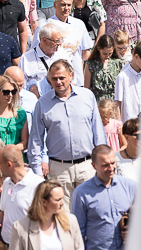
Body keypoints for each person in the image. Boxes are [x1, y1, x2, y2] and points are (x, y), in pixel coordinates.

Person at [29, 60, 106, 208]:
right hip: (59, 169)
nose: (58, 82)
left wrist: (102, 162)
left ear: (71, 76)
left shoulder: (87, 96)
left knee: (92, 210)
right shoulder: (42, 103)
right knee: (63, 217)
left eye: (62, 77)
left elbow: (98, 132)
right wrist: (37, 171)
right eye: (54, 78)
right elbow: (36, 139)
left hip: (87, 165)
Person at [71, 146, 137, 250]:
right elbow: (78, 232)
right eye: (105, 165)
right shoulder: (82, 193)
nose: (111, 168)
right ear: (94, 166)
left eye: (113, 163)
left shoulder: (130, 187)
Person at [7, 180, 87, 250]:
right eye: (58, 200)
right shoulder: (20, 227)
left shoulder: (71, 221)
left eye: (62, 198)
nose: (62, 203)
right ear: (43, 202)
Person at [31, 0, 92, 86]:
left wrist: (85, 73)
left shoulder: (79, 24)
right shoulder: (44, 27)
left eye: (69, 5)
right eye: (63, 4)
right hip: (52, 80)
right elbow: (35, 51)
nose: (66, 8)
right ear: (55, 5)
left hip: (76, 77)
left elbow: (86, 51)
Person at [0, 144, 46, 245]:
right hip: (7, 245)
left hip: (29, 246)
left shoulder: (38, 185)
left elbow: (46, 220)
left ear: (9, 164)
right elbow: (3, 213)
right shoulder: (7, 183)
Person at [83, 35, 126, 102]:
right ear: (98, 48)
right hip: (98, 103)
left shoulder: (118, 63)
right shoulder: (90, 64)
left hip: (114, 102)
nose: (108, 56)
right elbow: (86, 88)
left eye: (110, 53)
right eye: (105, 53)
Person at [114, 41, 141, 124]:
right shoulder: (122, 77)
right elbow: (117, 104)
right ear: (136, 57)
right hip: (129, 124)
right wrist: (119, 127)